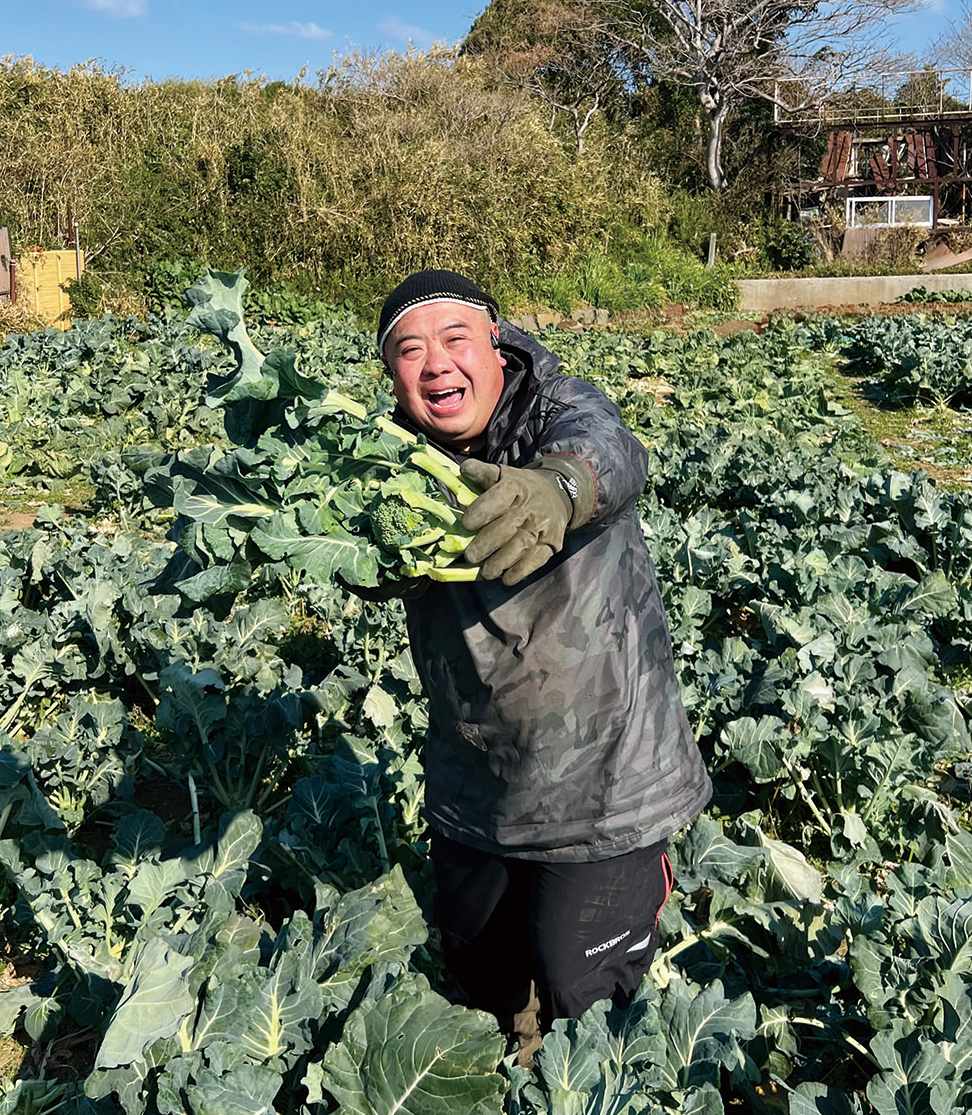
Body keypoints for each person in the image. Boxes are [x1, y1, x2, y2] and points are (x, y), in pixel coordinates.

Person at [375, 269, 711, 1067]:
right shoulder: (388, 459)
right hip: (477, 776)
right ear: (390, 374)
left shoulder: (560, 407)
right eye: (409, 351)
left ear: (497, 345)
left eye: (455, 340)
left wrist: (559, 489)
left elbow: (612, 453)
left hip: (606, 776)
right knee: (477, 973)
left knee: (581, 989)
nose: (436, 365)